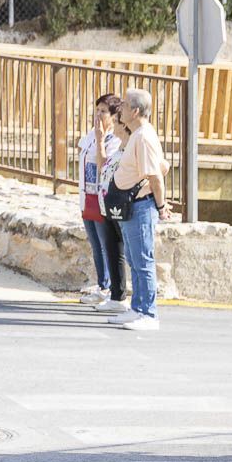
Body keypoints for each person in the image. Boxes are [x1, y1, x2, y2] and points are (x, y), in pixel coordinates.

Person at [110, 87, 173, 331]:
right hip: (131, 205)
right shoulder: (138, 134)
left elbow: (156, 175)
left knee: (143, 260)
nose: (121, 109)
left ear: (135, 111)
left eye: (125, 105)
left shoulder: (144, 136)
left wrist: (161, 205)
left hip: (140, 206)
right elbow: (163, 165)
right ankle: (137, 308)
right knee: (135, 260)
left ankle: (148, 313)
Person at [76, 93, 124, 307]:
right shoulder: (90, 134)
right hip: (87, 196)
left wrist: (99, 139)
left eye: (103, 111)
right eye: (97, 110)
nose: (98, 115)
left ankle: (110, 288)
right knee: (95, 244)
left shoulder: (115, 140)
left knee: (107, 244)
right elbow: (82, 151)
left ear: (114, 116)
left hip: (102, 199)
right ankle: (101, 282)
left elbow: (104, 163)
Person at [95, 118, 130, 315]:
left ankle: (137, 303)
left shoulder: (132, 147)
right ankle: (117, 295)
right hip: (108, 207)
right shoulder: (119, 149)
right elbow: (103, 168)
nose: (112, 125)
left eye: (117, 122)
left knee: (129, 254)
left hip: (122, 208)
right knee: (113, 250)